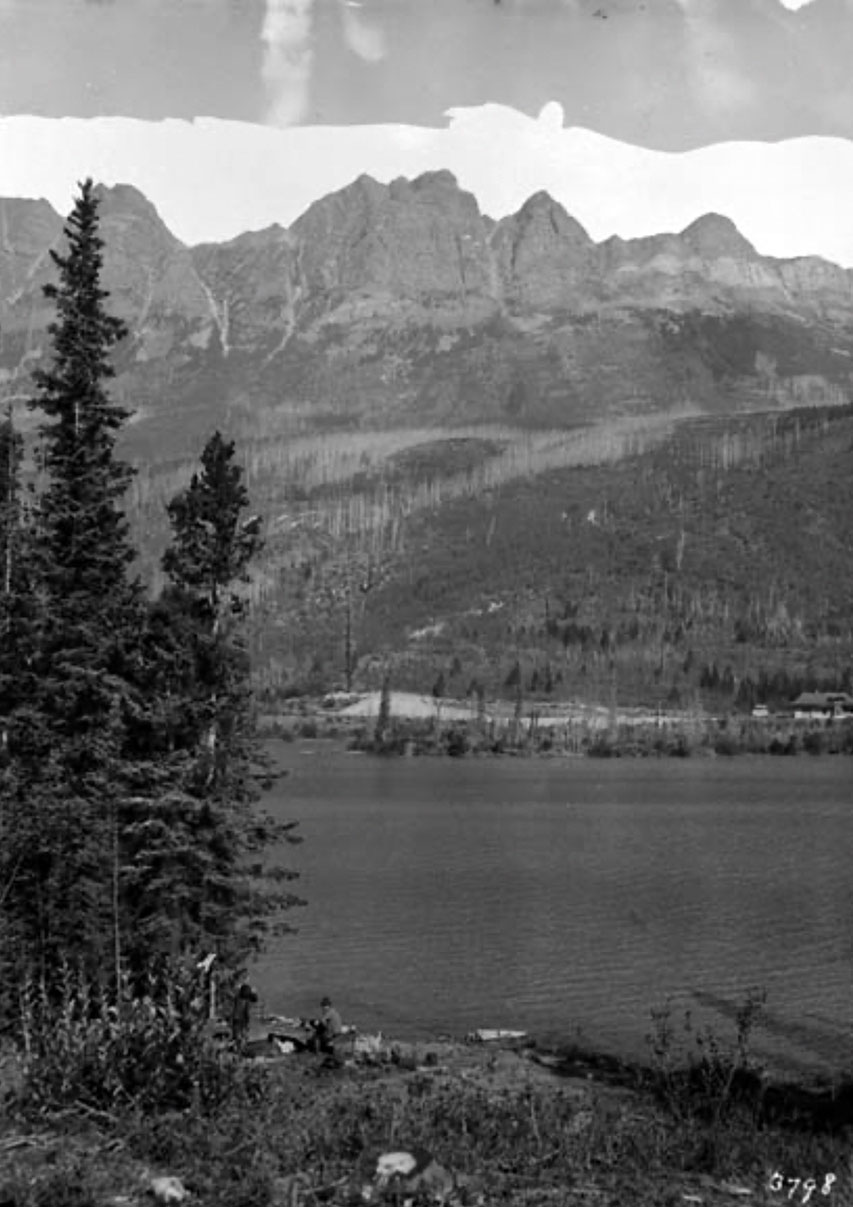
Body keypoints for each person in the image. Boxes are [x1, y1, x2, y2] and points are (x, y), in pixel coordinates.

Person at [230, 976, 258, 1051]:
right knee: (242, 1035)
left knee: (237, 1035)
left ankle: (238, 1048)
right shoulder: (245, 1001)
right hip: (242, 1019)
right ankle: (241, 1049)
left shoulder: (238, 997)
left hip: (236, 1018)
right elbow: (247, 1012)